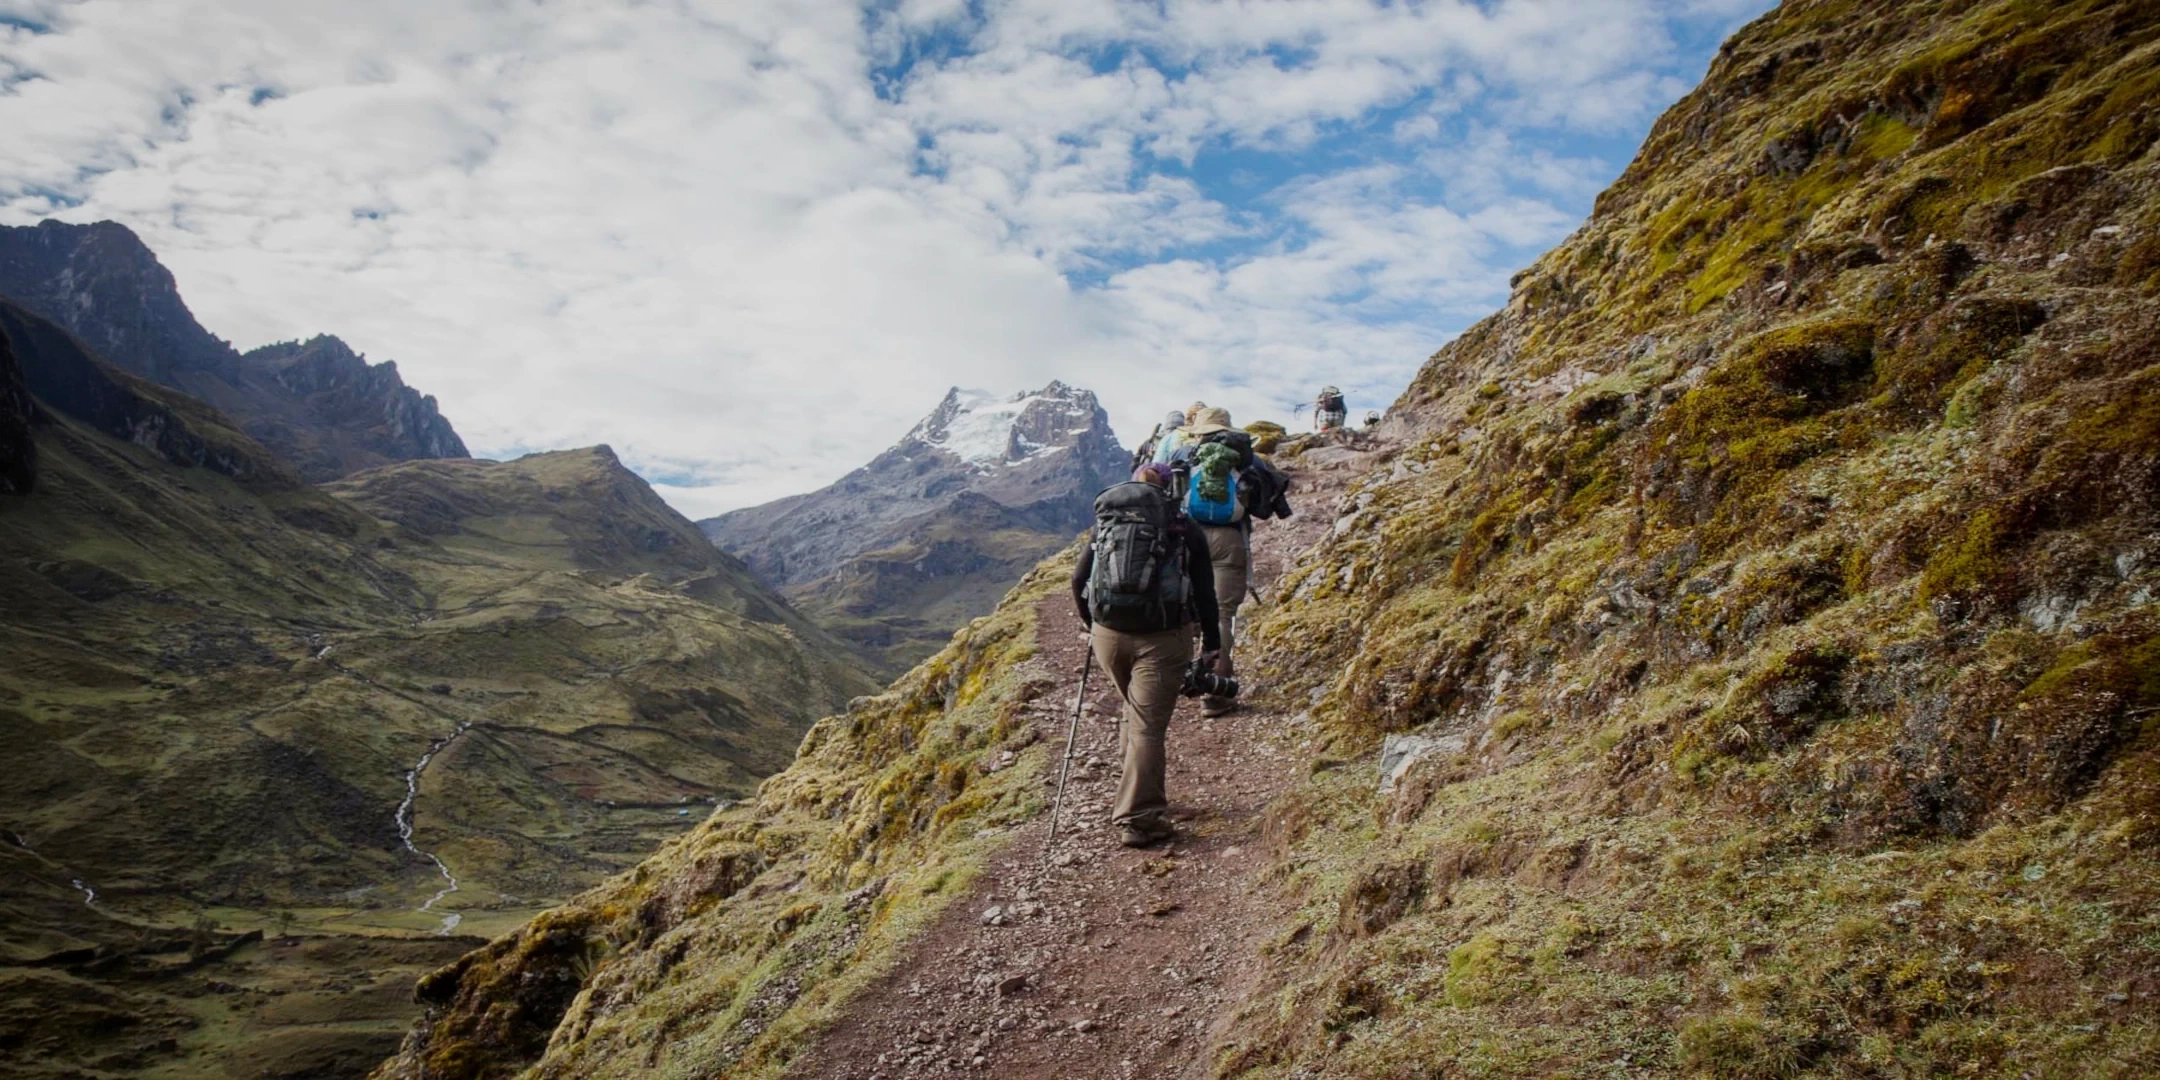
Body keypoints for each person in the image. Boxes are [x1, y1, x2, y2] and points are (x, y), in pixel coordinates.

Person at [1071, 463, 1221, 848]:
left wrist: (1093, 624)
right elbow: (1205, 592)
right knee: (1147, 728)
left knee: (1132, 709)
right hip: (1163, 637)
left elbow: (1078, 579)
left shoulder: (1107, 524)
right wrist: (1212, 644)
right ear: (1170, 489)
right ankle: (1141, 819)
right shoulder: (1183, 526)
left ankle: (1133, 787)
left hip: (1109, 636)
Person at [1170, 407, 1250, 718]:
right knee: (1223, 612)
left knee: (1190, 607)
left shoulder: (1184, 452)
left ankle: (1178, 679)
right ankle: (1216, 692)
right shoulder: (1242, 455)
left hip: (1191, 537)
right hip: (1230, 539)